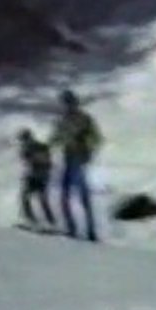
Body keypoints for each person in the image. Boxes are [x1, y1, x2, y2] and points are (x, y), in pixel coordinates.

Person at [49, 89, 103, 241]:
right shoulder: (63, 121)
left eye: (68, 103)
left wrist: (87, 149)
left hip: (78, 160)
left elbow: (96, 138)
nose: (66, 106)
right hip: (68, 159)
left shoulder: (84, 119)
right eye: (65, 103)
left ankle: (91, 232)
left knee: (82, 197)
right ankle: (72, 229)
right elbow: (55, 138)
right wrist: (47, 146)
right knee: (65, 197)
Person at [17, 128, 55, 229]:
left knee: (38, 199)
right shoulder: (33, 147)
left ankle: (47, 222)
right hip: (38, 175)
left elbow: (44, 161)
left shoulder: (35, 147)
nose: (22, 143)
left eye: (23, 140)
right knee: (27, 197)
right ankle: (36, 220)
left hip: (40, 176)